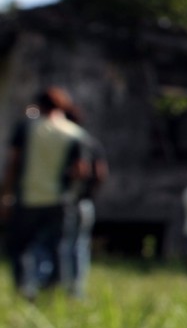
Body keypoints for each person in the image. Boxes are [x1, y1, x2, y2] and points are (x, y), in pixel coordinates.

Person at [1, 87, 85, 299]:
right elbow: (80, 170)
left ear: (39, 105)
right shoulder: (74, 132)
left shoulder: (27, 127)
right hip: (59, 200)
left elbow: (14, 163)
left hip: (28, 197)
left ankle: (24, 290)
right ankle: (53, 292)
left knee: (21, 248)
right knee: (57, 249)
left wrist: (6, 193)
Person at [60, 103, 107, 297]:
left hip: (69, 201)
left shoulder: (71, 141)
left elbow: (82, 170)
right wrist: (90, 194)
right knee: (79, 246)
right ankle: (76, 291)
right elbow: (101, 173)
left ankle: (65, 289)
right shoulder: (92, 142)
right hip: (85, 202)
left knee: (65, 245)